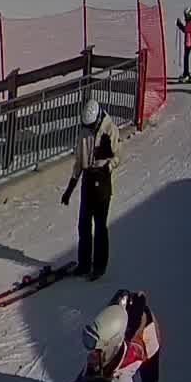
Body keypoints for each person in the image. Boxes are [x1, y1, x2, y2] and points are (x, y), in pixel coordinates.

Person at [83, 289, 173, 382]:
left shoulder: (136, 318)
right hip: (134, 337)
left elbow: (129, 339)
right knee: (106, 368)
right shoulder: (116, 310)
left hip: (148, 345)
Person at [62, 99, 117, 279]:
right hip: (87, 179)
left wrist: (106, 166)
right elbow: (79, 160)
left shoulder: (110, 129)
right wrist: (70, 186)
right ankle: (84, 263)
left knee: (100, 226)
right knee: (84, 225)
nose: (89, 128)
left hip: (102, 181)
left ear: (98, 119)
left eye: (92, 125)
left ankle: (100, 266)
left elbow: (118, 156)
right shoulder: (84, 131)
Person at [177, 8, 191, 81]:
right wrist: (180, 24)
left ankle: (186, 74)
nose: (185, 16)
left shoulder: (190, 21)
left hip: (189, 43)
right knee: (185, 57)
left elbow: (186, 30)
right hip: (187, 42)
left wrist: (180, 25)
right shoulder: (189, 21)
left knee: (186, 58)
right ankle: (185, 73)